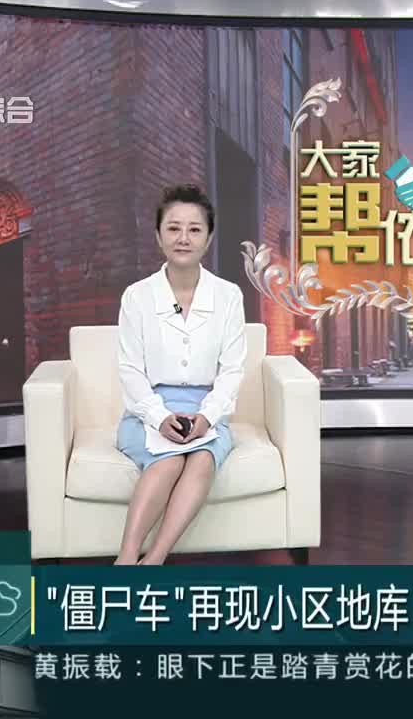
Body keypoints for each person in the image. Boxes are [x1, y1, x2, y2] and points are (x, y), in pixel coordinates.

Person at [113, 184, 247, 565]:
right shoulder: (137, 296)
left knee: (202, 458)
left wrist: (207, 417)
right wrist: (159, 417)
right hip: (147, 409)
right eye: (173, 228)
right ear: (158, 236)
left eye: (194, 229)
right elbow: (130, 370)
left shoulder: (229, 296)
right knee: (169, 459)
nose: (183, 238)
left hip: (207, 409)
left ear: (209, 238)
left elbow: (232, 371)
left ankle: (154, 560)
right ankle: (126, 559)